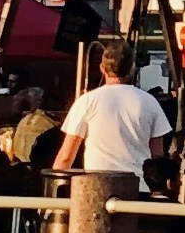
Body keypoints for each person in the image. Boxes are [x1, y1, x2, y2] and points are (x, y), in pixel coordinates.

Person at [61, 44, 172, 188]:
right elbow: (157, 157)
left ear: (102, 68)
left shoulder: (86, 101)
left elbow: (66, 157)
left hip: (96, 188)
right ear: (132, 69)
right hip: (137, 187)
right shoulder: (150, 103)